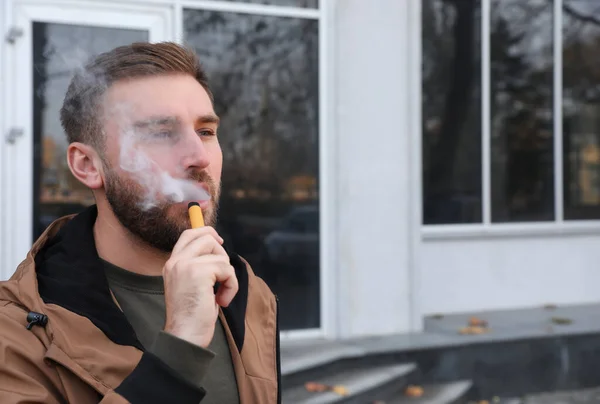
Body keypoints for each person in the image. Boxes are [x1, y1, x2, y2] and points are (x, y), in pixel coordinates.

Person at [0, 42, 281, 403]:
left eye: (206, 132)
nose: (198, 157)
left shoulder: (248, 291)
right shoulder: (17, 332)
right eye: (161, 133)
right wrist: (180, 350)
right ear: (88, 165)